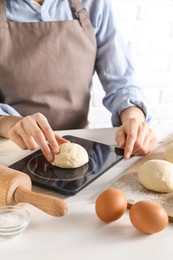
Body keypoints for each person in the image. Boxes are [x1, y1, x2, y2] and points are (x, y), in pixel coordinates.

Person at [0, 0, 157, 162]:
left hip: (78, 146)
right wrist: (10, 123)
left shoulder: (94, 4)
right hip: (12, 150)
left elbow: (121, 82)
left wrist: (134, 119)